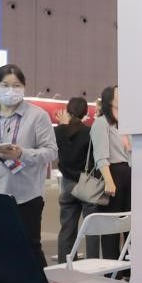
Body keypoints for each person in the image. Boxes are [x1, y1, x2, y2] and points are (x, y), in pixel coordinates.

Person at [0, 65, 57, 268]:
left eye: (16, 85)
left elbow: (51, 151)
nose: (11, 90)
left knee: (29, 249)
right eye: (5, 85)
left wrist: (22, 154)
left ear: (24, 87)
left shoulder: (37, 115)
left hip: (26, 195)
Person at [88, 85, 129, 260]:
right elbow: (100, 155)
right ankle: (112, 268)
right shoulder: (101, 122)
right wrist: (109, 180)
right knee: (111, 228)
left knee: (129, 224)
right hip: (112, 174)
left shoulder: (125, 123)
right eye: (119, 92)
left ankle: (129, 267)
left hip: (128, 174)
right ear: (110, 99)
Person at [54, 97, 91, 263]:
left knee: (67, 229)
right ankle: (92, 266)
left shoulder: (58, 131)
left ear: (68, 111)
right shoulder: (89, 132)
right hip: (87, 184)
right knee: (91, 230)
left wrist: (62, 125)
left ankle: (65, 266)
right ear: (85, 113)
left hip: (67, 183)